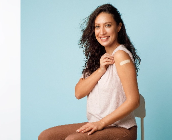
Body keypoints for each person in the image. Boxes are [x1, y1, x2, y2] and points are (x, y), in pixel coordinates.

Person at [38, 4, 141, 140]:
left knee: (73, 139)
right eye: (97, 26)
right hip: (97, 124)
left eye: (108, 25)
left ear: (119, 27)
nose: (102, 32)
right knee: (46, 136)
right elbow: (79, 93)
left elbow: (134, 101)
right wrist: (101, 70)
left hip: (121, 129)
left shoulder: (121, 55)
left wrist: (101, 123)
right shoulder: (96, 59)